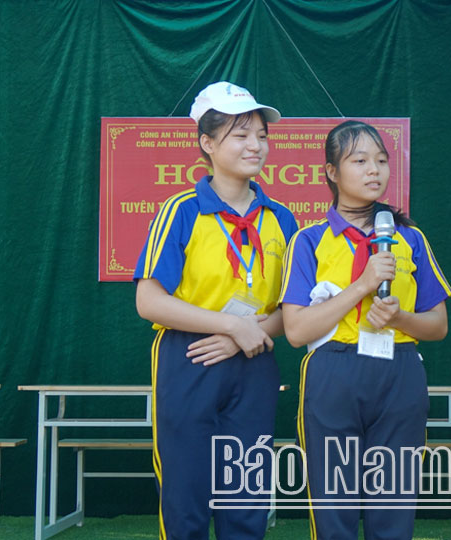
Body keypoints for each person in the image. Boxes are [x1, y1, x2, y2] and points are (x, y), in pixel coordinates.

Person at [133, 81, 297, 539]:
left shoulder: (281, 218)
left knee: (245, 496)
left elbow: (293, 309)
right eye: (241, 134)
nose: (256, 145)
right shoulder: (181, 210)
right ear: (206, 143)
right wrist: (229, 326)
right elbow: (149, 300)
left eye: (262, 135)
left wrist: (245, 334)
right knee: (186, 495)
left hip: (255, 358)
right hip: (189, 358)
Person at [279, 120, 451, 540]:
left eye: (381, 160)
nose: (374, 170)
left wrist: (400, 319)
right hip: (333, 373)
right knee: (333, 506)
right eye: (359, 161)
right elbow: (297, 331)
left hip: (400, 371)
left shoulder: (410, 238)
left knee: (393, 506)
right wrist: (362, 286)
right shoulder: (308, 240)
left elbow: (438, 326)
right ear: (331, 173)